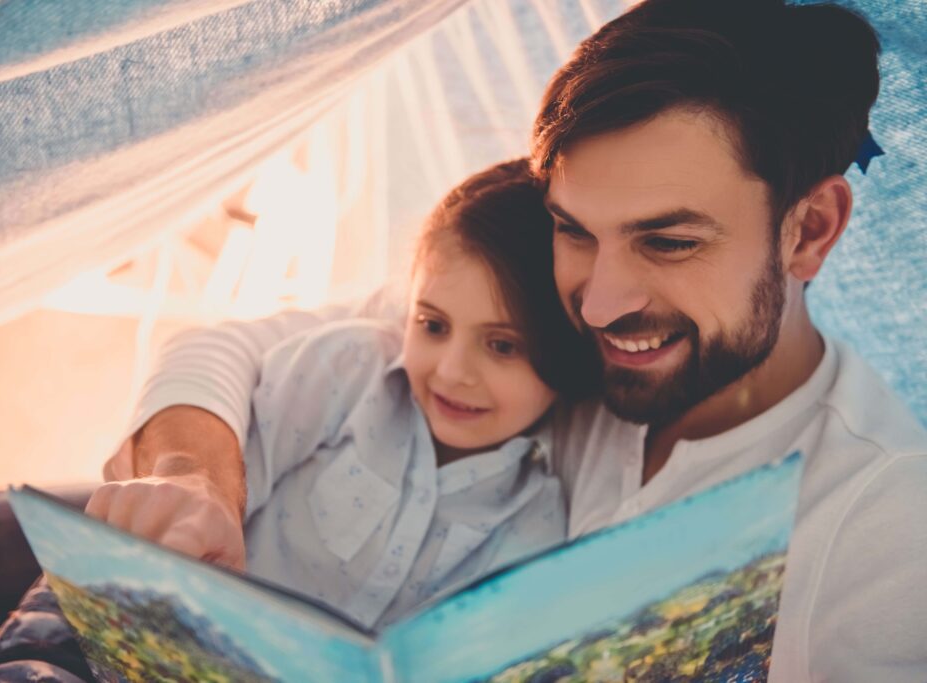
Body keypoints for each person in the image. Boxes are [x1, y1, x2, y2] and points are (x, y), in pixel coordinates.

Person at [89, 0, 927, 680]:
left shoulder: (886, 526)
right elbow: (232, 351)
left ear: (810, 230)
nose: (598, 305)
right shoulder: (533, 323)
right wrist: (195, 484)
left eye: (669, 242)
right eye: (573, 228)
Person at [92, 159, 596, 631]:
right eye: (432, 325)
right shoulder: (343, 370)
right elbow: (220, 494)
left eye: (502, 345)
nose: (452, 370)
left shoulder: (539, 515)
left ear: (566, 355)